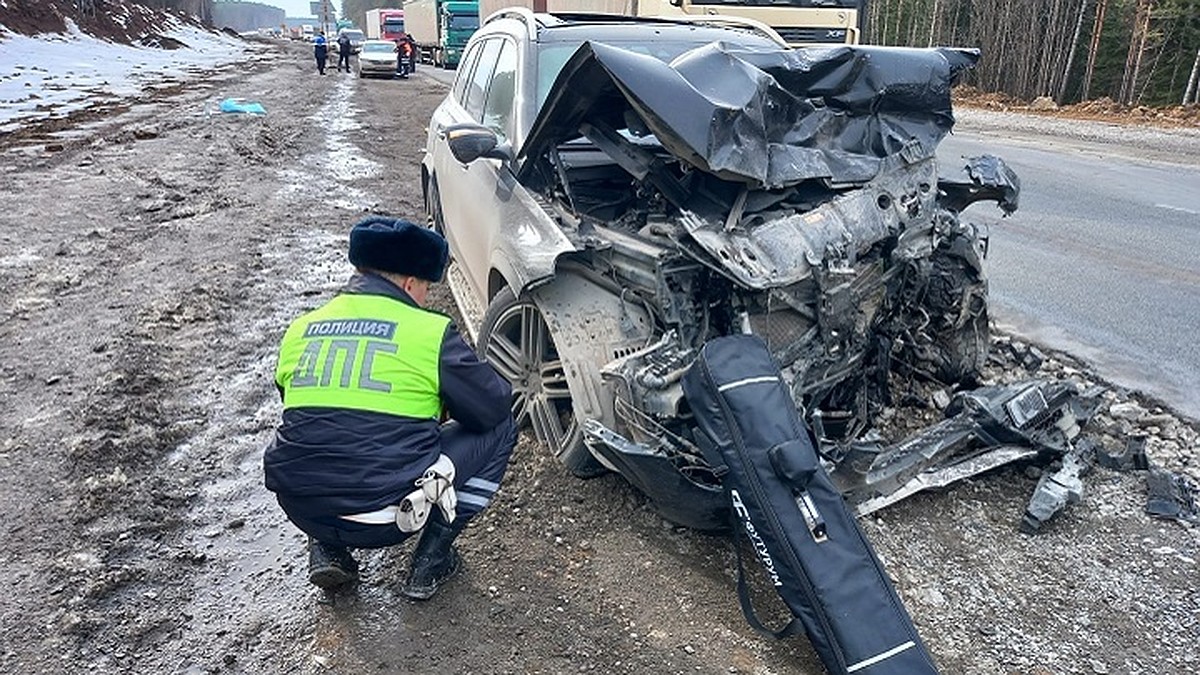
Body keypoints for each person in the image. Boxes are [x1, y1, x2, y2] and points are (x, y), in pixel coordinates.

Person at [264, 217, 517, 600]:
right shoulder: (427, 332)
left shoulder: (303, 327)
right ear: (410, 282)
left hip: (299, 506)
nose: (426, 297)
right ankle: (431, 561)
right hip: (386, 518)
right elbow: (492, 407)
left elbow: (309, 411)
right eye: (427, 288)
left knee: (320, 434)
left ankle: (326, 548)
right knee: (502, 429)